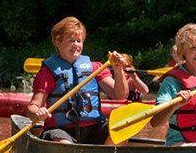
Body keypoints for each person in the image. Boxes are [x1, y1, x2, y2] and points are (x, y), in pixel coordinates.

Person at [26, 16, 129, 145]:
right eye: (71, 41)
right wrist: (38, 112)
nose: (76, 45)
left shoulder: (96, 68)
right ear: (58, 42)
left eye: (79, 41)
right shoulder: (48, 72)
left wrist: (118, 69)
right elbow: (32, 107)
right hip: (61, 130)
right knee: (65, 144)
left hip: (94, 129)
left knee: (122, 131)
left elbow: (121, 95)